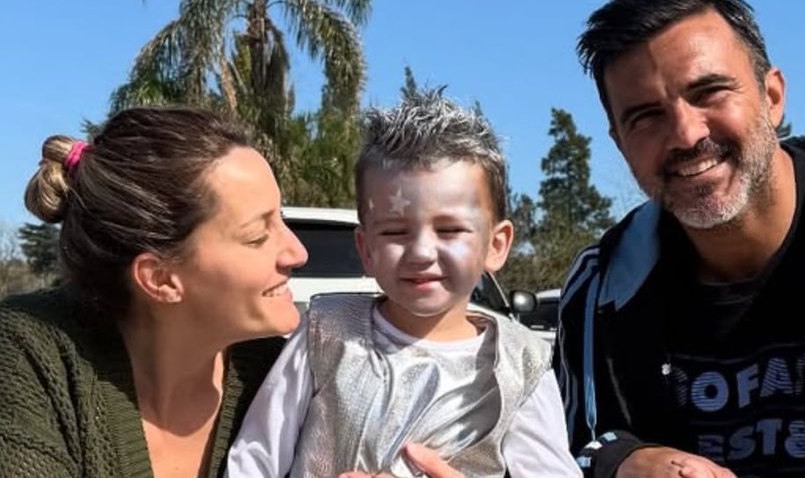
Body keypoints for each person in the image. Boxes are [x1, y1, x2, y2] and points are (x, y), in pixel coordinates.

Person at [0, 106, 460, 478]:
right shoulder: (27, 357)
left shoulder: (282, 377)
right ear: (160, 278)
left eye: (281, 219)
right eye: (258, 236)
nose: (297, 252)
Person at [555, 0, 805, 478]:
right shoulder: (600, 288)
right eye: (646, 116)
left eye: (708, 93)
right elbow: (571, 448)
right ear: (620, 142)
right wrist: (622, 460)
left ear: (772, 96)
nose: (686, 134)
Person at [225, 90, 581, 478]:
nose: (421, 252)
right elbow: (253, 461)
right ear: (365, 248)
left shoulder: (521, 364)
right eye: (395, 231)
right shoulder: (324, 333)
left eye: (449, 230)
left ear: (496, 245)